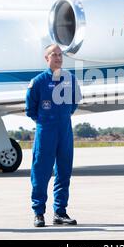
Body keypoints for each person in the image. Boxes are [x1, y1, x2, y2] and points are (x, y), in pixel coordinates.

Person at [26, 44, 82, 227]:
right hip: (45, 131)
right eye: (54, 55)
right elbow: (31, 109)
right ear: (46, 58)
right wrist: (46, 121)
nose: (58, 58)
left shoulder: (70, 79)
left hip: (64, 130)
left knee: (64, 172)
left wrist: (62, 116)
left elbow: (74, 104)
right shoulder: (38, 82)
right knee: (41, 173)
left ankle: (60, 212)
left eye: (60, 55)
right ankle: (38, 212)